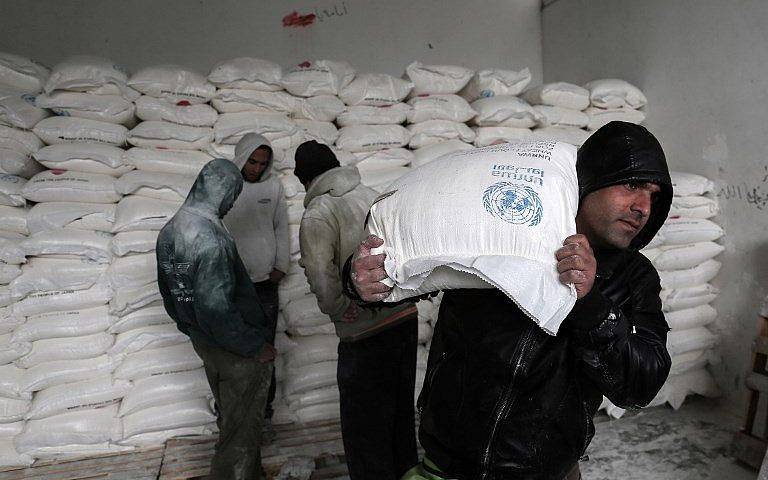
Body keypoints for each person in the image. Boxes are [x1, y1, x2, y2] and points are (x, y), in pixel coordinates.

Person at [346, 122, 674, 480]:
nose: (643, 207)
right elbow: (406, 278)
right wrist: (358, 277)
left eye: (653, 196)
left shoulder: (634, 277)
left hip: (544, 471)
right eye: (632, 185)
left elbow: (642, 384)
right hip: (446, 463)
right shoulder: (494, 231)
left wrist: (591, 303)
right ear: (593, 180)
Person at [293, 140, 420, 480]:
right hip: (403, 319)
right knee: (399, 418)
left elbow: (320, 272)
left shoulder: (319, 212)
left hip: (365, 331)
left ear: (304, 179)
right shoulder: (373, 195)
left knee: (365, 431)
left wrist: (338, 307)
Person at [156, 159, 276, 480]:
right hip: (236, 348)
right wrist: (254, 346)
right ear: (220, 190)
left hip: (206, 342)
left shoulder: (170, 231)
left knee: (233, 418)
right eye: (232, 196)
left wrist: (193, 329)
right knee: (241, 430)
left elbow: (171, 295)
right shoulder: (210, 238)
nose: (231, 205)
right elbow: (216, 309)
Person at [225, 132, 290, 419]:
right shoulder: (225, 187)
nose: (256, 168)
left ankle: (264, 411)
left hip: (266, 283)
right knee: (233, 347)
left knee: (265, 348)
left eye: (262, 163)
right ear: (241, 158)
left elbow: (281, 227)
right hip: (232, 284)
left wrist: (281, 266)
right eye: (252, 161)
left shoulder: (274, 187)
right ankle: (231, 412)